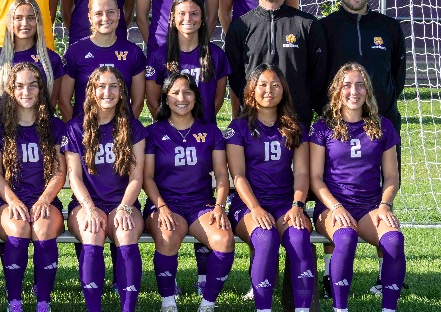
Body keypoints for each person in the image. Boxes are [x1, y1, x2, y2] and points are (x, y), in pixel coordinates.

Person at [310, 63, 405, 312]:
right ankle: (340, 308)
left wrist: (385, 205)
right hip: (332, 207)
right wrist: (336, 207)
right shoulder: (323, 127)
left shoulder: (383, 126)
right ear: (337, 91)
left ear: (368, 91)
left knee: (394, 240)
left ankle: (389, 308)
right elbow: (315, 178)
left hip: (369, 208)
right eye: (347, 85)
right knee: (345, 236)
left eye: (360, 85)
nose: (354, 91)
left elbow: (392, 177)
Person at [227, 64, 317, 312]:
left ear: (283, 90)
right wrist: (255, 208)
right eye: (263, 85)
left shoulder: (295, 127)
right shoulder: (238, 127)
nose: (269, 90)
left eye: (275, 85)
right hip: (248, 205)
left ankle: (302, 309)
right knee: (265, 238)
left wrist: (298, 205)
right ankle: (263, 308)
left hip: (285, 204)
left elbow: (302, 173)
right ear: (252, 90)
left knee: (299, 237)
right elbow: (238, 175)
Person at [142, 73, 233, 312]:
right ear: (166, 97)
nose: (181, 98)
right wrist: (162, 207)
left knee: (224, 239)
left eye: (187, 92)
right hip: (165, 203)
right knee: (168, 236)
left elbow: (221, 175)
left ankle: (208, 303)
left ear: (195, 97)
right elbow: (147, 177)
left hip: (201, 204)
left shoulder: (211, 131)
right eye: (175, 92)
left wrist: (219, 206)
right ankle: (168, 302)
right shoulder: (153, 132)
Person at [63, 67, 146, 312]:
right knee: (93, 232)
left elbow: (136, 177)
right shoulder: (76, 128)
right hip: (86, 204)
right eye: (101, 86)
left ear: (122, 92)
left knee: (125, 233)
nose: (107, 92)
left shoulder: (133, 128)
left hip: (124, 203)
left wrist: (124, 207)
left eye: (113, 86)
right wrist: (89, 209)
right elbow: (74, 177)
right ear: (91, 91)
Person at [0, 63, 67, 312]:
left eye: (33, 85)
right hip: (7, 200)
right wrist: (13, 200)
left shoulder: (54, 126)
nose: (26, 91)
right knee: (20, 228)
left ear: (41, 89)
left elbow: (59, 171)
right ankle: (14, 302)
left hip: (45, 199)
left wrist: (44, 200)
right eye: (19, 86)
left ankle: (43, 303)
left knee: (43, 229)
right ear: (10, 90)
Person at [225, 0, 330, 125]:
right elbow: (236, 78)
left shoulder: (307, 24)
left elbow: (318, 75)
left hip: (296, 120)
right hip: (254, 120)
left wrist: (302, 102)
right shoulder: (240, 27)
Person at [319, 0, 407, 129]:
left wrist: (380, 103)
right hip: (338, 125)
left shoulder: (390, 27)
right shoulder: (323, 28)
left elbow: (398, 78)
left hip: (383, 122)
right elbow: (317, 78)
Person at [144, 0, 230, 123]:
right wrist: (172, 127)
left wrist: (201, 126)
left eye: (194, 13)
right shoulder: (159, 56)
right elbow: (152, 102)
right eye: (182, 13)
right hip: (170, 132)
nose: (188, 18)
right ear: (173, 17)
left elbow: (218, 100)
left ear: (202, 18)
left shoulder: (217, 55)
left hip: (204, 131)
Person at [61, 0, 145, 118]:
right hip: (84, 128)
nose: (105, 18)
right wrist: (76, 128)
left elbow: (138, 103)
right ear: (90, 17)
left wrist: (125, 127)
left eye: (110, 12)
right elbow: (63, 101)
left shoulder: (134, 52)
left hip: (121, 129)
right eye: (98, 14)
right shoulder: (75, 52)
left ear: (119, 14)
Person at [0, 0, 64, 121]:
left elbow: (51, 105)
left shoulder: (52, 60)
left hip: (40, 130)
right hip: (4, 129)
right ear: (10, 22)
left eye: (31, 18)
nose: (25, 23)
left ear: (38, 21)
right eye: (18, 18)